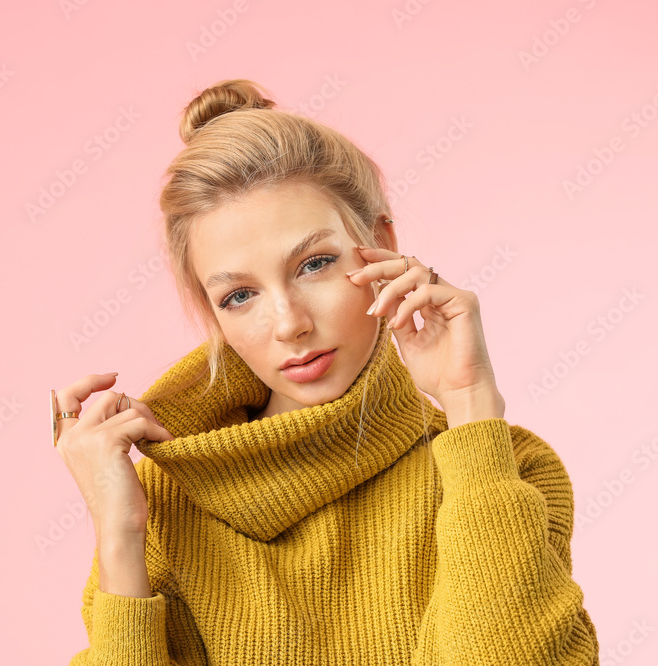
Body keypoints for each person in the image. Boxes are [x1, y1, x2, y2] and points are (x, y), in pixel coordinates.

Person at [52, 78, 600, 665]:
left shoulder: (502, 468)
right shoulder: (162, 508)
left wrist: (469, 405)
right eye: (239, 296)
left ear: (382, 243)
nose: (289, 324)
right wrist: (118, 531)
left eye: (314, 264)